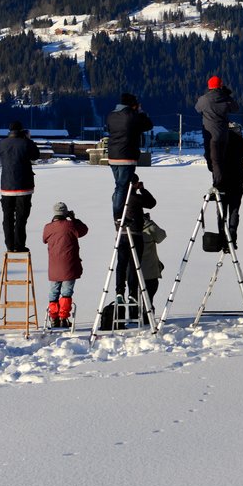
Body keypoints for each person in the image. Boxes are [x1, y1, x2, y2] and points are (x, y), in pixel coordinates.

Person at [105, 92, 153, 221]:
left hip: (113, 156)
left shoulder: (111, 115)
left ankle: (119, 213)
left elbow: (110, 129)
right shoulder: (133, 116)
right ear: (133, 105)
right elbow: (148, 125)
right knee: (122, 187)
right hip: (127, 156)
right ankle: (118, 216)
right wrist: (141, 112)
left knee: (119, 186)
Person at [115, 174, 157, 317]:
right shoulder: (135, 198)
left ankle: (119, 291)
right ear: (133, 184)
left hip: (121, 235)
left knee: (121, 264)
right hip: (135, 234)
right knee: (134, 265)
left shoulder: (117, 197)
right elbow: (152, 203)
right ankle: (132, 293)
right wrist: (142, 189)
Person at [42, 202, 88, 328]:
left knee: (53, 292)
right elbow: (84, 230)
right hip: (69, 265)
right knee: (66, 292)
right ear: (65, 213)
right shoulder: (71, 225)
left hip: (54, 266)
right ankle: (63, 318)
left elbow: (44, 239)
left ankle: (54, 318)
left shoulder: (48, 227)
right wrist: (74, 219)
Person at [0, 121, 41, 252]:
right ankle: (19, 245)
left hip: (6, 186)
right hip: (24, 186)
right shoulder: (26, 142)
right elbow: (36, 155)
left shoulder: (1, 143)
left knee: (7, 217)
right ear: (21, 130)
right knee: (21, 217)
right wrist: (28, 139)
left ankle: (10, 245)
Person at [215, 123, 243, 247]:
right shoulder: (240, 140)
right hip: (236, 182)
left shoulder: (218, 140)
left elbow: (209, 157)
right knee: (234, 211)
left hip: (221, 182)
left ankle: (222, 238)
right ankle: (232, 239)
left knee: (221, 212)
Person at [195, 76, 238, 188]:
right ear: (221, 85)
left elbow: (197, 108)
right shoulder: (226, 98)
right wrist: (228, 95)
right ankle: (220, 182)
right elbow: (236, 108)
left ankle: (218, 185)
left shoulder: (204, 99)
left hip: (210, 136)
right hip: (224, 135)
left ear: (209, 86)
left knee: (214, 161)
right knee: (220, 160)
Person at [140, 213, 167, 311]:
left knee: (134, 297)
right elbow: (161, 236)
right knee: (148, 296)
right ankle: (147, 314)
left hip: (132, 271)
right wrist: (148, 222)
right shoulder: (147, 227)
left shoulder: (125, 226)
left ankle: (135, 315)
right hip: (149, 271)